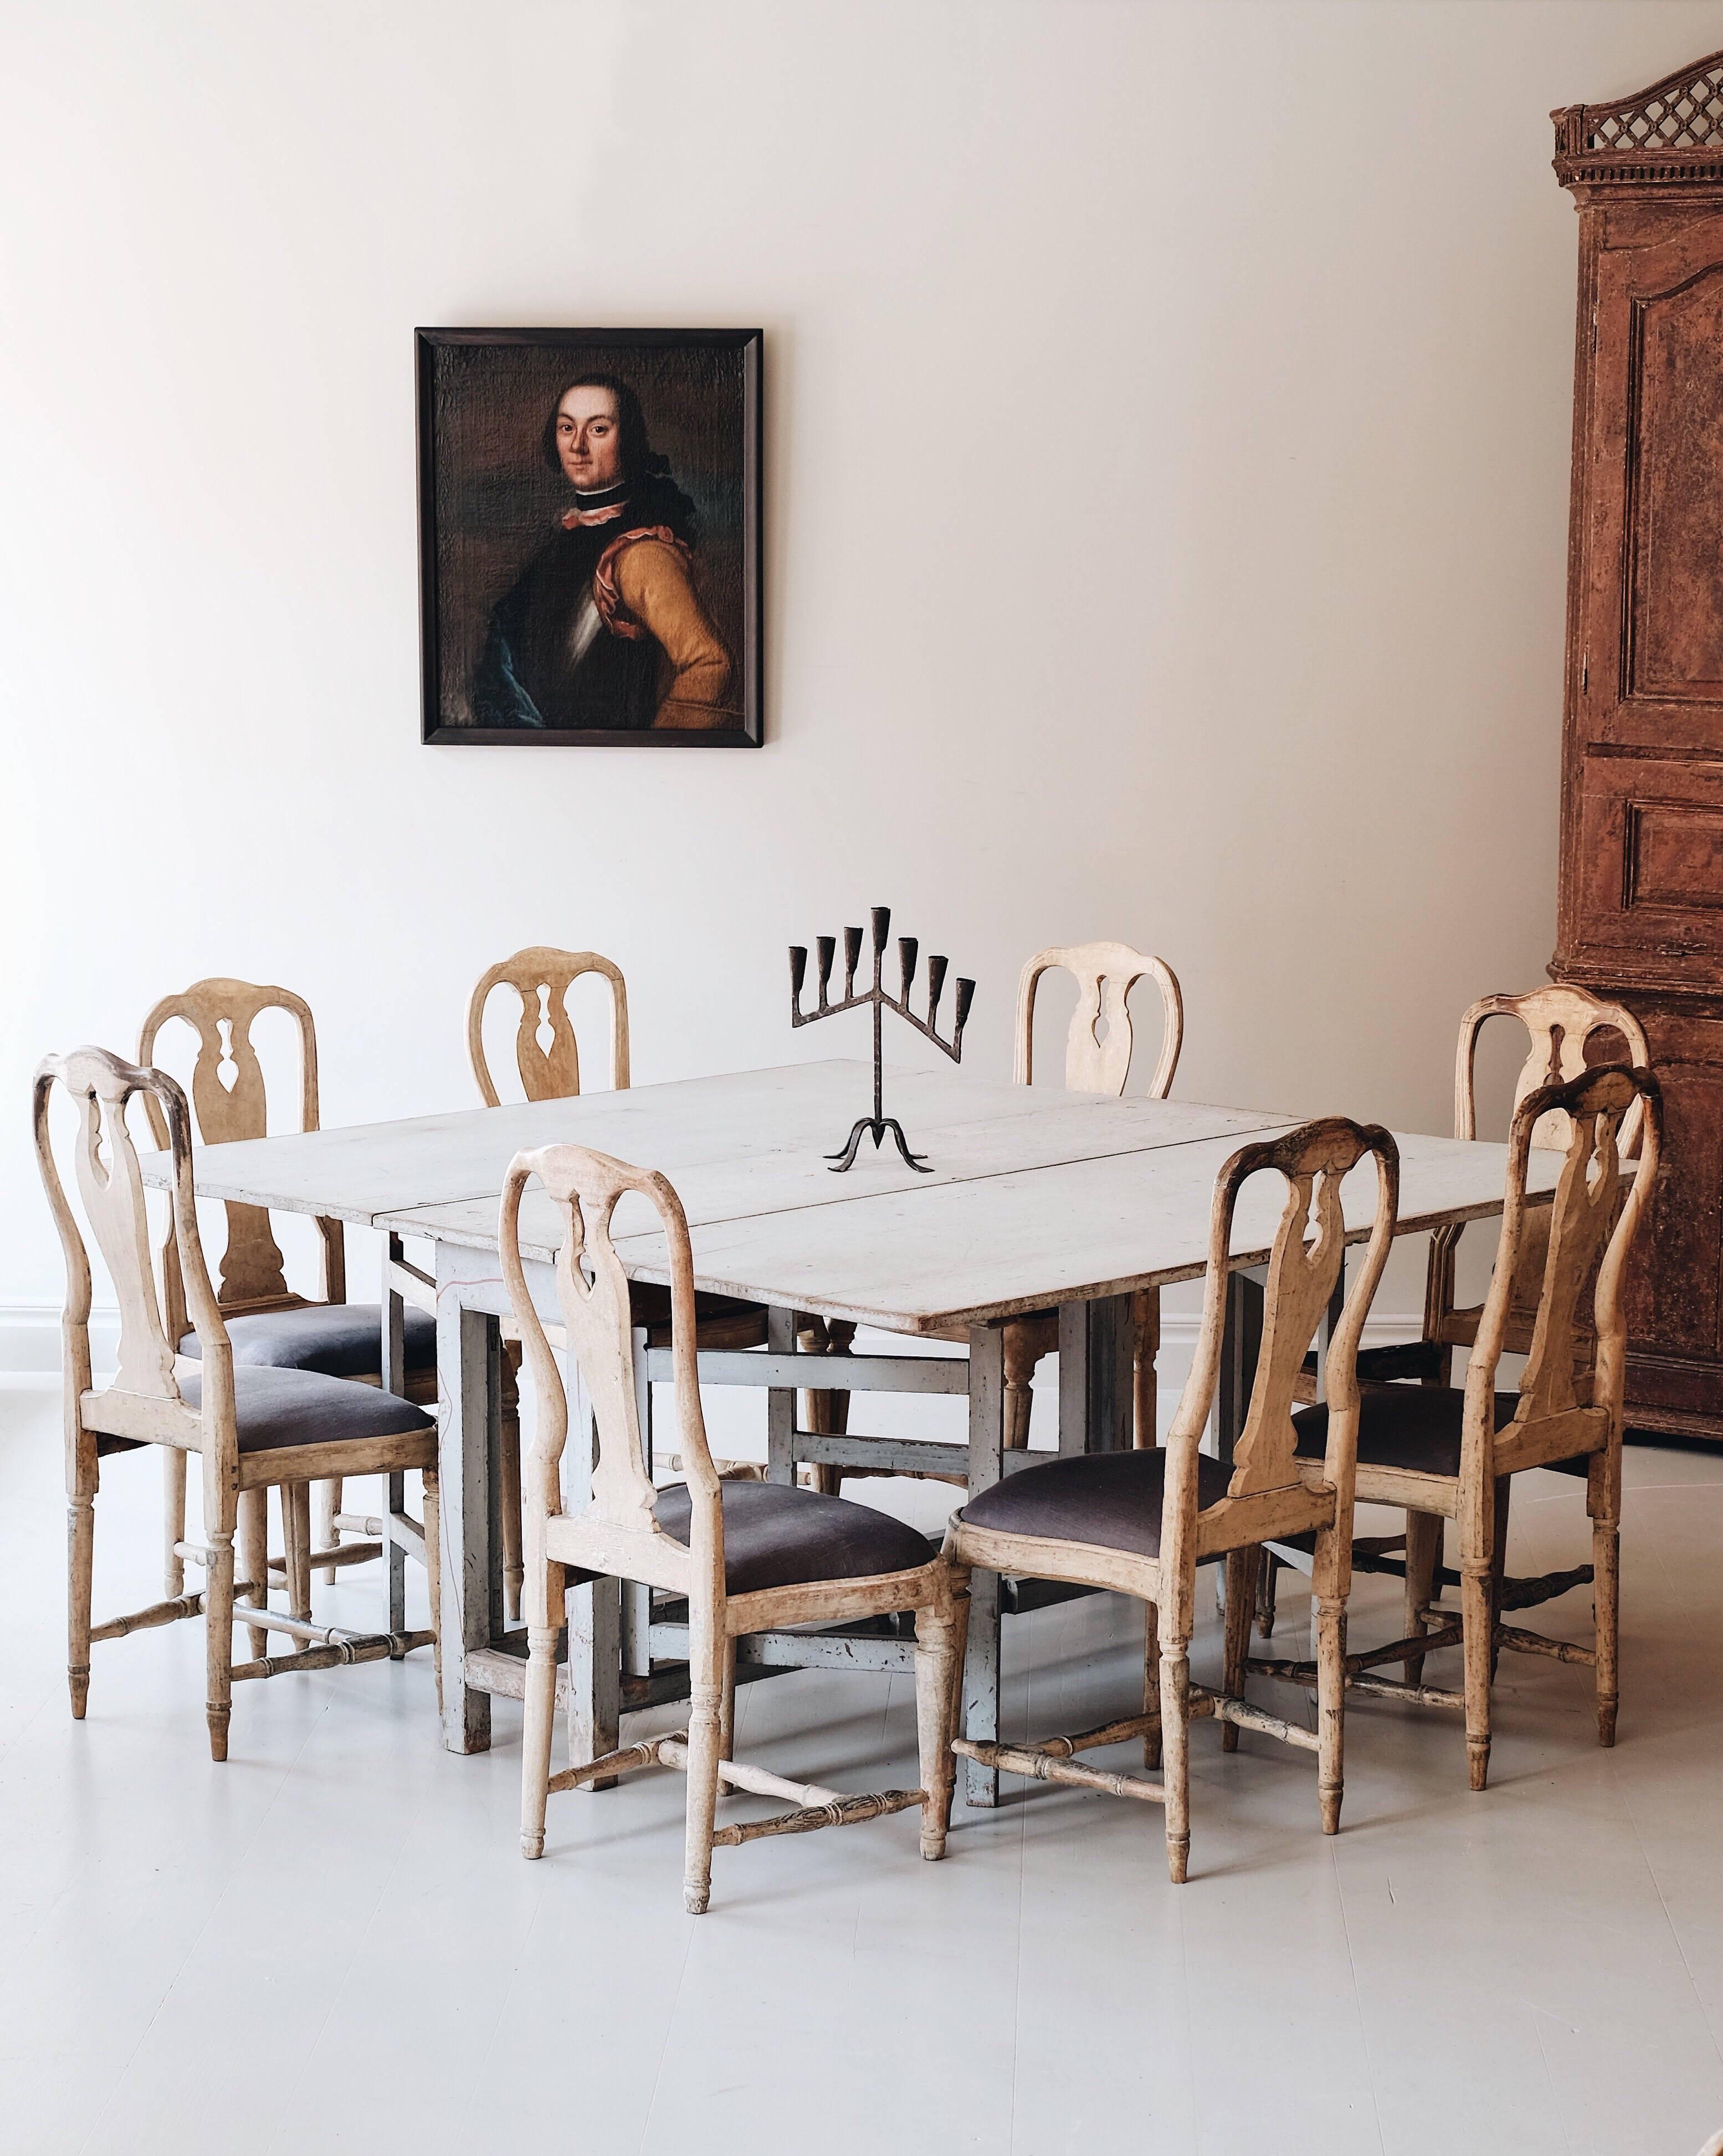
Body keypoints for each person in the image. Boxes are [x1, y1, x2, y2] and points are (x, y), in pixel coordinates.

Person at [472, 376, 735, 730]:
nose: (577, 446)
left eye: (597, 430)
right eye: (567, 428)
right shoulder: (567, 539)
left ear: (626, 439)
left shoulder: (639, 554)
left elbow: (711, 664)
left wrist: (656, 754)